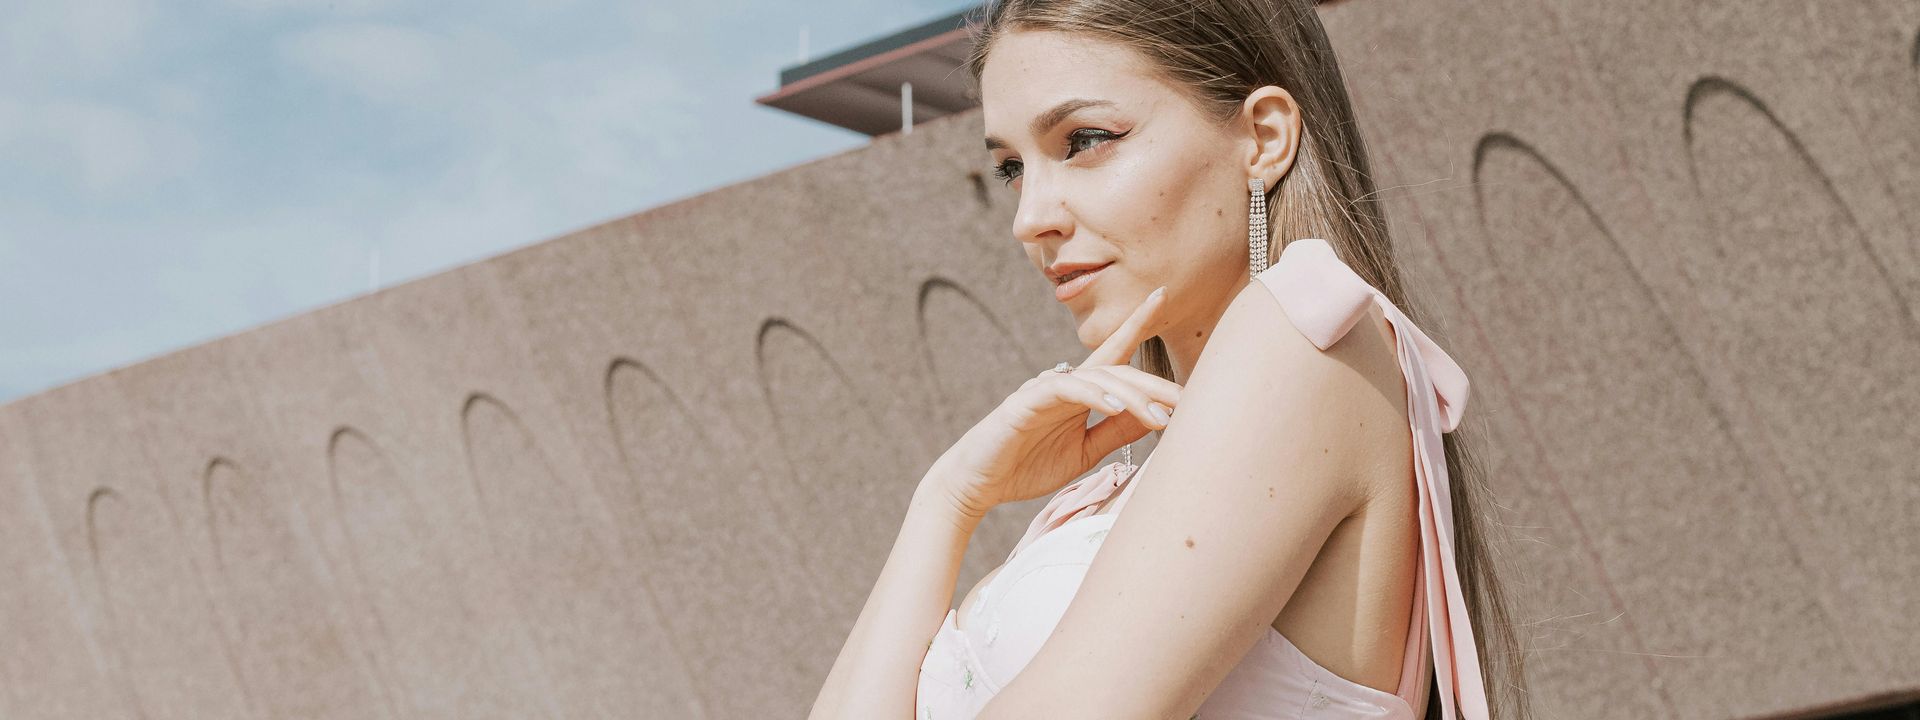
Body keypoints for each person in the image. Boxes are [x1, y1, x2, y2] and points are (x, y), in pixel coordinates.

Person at [808, 1, 1532, 718]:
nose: (1030, 219)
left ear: (1262, 137)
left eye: (1086, 138)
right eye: (1011, 168)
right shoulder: (1164, 461)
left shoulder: (1304, 333)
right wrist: (950, 495)